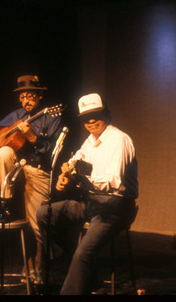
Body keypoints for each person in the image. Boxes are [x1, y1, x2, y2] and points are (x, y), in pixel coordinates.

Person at [36, 92, 138, 295]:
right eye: (85, 118)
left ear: (106, 114)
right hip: (92, 204)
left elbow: (113, 181)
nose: (90, 121)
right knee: (44, 213)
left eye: (96, 115)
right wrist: (66, 174)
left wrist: (84, 175)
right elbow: (76, 160)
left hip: (115, 207)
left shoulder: (119, 140)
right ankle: (82, 263)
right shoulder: (90, 141)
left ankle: (80, 266)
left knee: (83, 252)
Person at [0, 74, 63, 284]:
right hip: (17, 171)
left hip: (38, 171)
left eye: (30, 96)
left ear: (40, 97)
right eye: (23, 97)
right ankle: (6, 200)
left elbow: (52, 152)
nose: (26, 100)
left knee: (37, 226)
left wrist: (32, 138)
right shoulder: (16, 115)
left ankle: (37, 271)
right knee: (3, 152)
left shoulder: (52, 117)